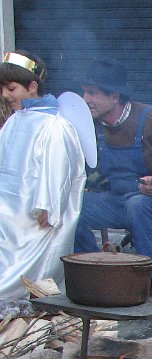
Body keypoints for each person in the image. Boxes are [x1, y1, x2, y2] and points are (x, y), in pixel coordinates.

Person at [73, 59, 152, 300]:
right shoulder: (93, 126)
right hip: (118, 201)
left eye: (92, 93)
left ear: (114, 96)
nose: (85, 98)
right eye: (84, 92)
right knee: (74, 206)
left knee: (139, 205)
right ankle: (93, 269)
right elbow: (96, 171)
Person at [0, 51, 87, 299]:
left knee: (28, 274)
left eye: (11, 88)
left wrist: (48, 207)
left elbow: (58, 171)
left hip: (37, 216)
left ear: (32, 86)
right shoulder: (16, 121)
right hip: (9, 214)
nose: (5, 95)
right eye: (3, 89)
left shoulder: (55, 126)